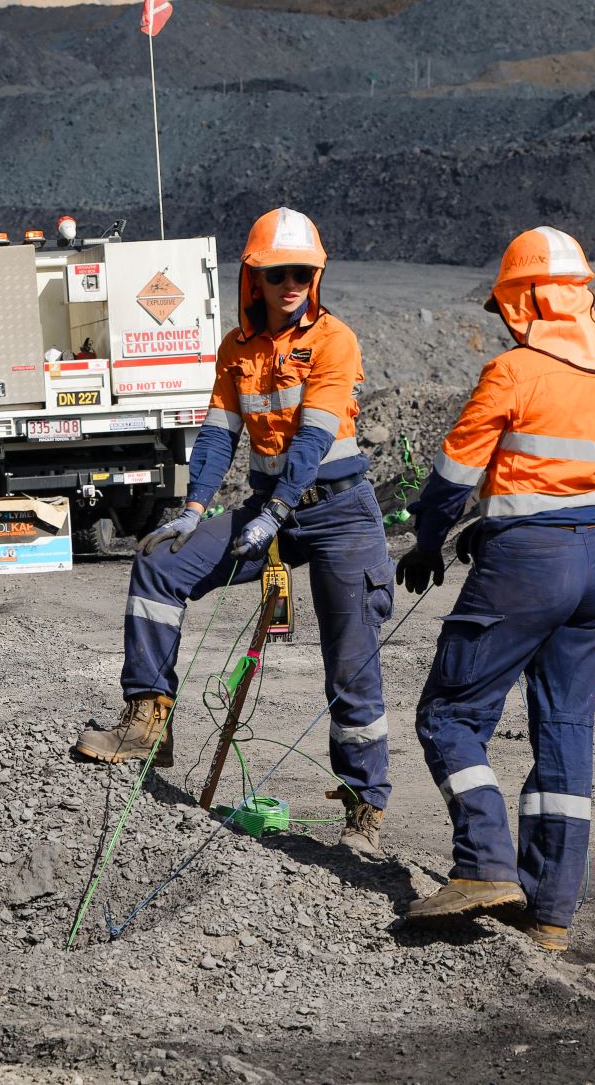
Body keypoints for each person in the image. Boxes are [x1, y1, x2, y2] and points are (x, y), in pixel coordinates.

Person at [72, 207, 396, 860]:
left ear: (317, 274)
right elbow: (219, 435)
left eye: (303, 272)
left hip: (337, 510)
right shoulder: (237, 349)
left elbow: (311, 437)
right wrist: (193, 508)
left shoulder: (335, 340)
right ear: (255, 277)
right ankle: (148, 720)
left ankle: (365, 805)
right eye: (278, 273)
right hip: (266, 506)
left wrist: (279, 511)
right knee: (161, 565)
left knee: (351, 664)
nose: (291, 283)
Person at [395, 226, 595, 952]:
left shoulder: (514, 370)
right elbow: (565, 478)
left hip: (531, 565)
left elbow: (450, 480)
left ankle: (483, 866)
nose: (504, 316)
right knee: (564, 729)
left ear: (527, 298)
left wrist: (430, 539)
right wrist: (496, 523)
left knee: (449, 714)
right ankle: (551, 912)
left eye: (508, 302)